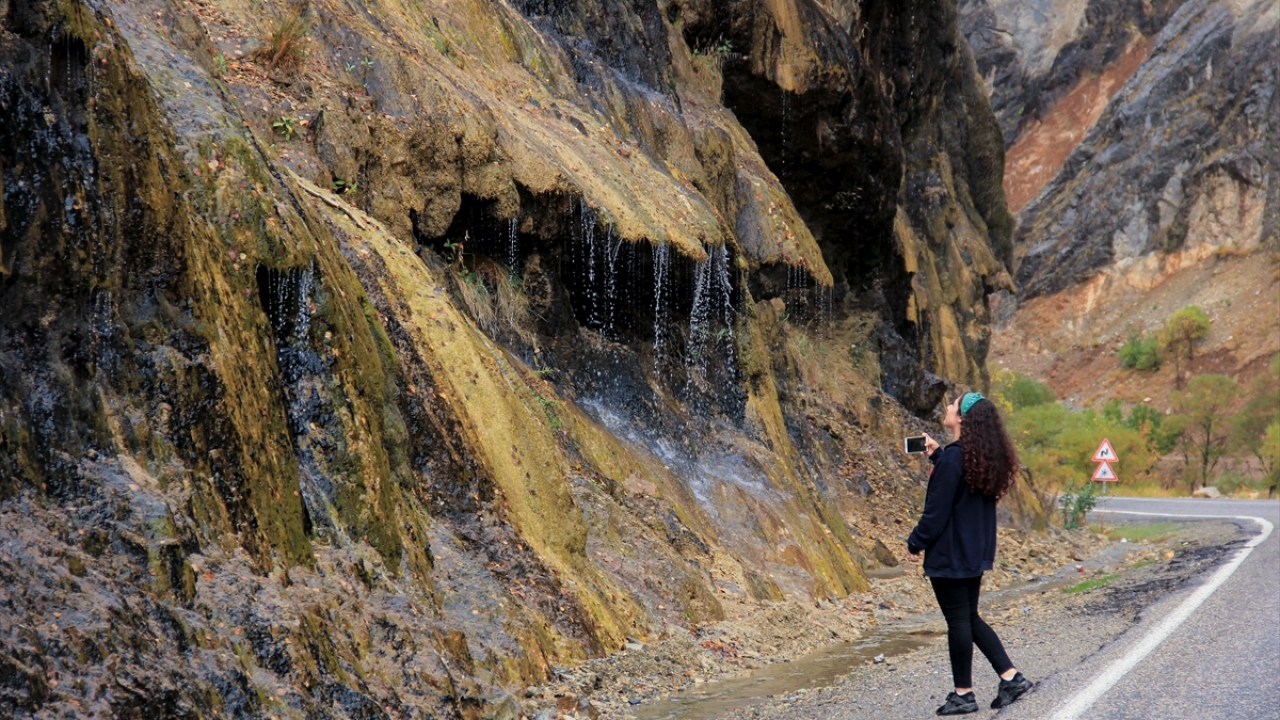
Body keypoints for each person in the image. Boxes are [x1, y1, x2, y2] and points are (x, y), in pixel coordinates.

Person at [906, 392, 1033, 715]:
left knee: (958, 621)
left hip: (951, 554)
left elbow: (936, 514)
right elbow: (962, 493)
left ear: (961, 417)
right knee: (968, 618)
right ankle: (1011, 677)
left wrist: (915, 542)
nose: (947, 407)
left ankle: (964, 693)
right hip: (974, 552)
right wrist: (938, 456)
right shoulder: (979, 458)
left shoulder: (954, 459)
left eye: (952, 404)